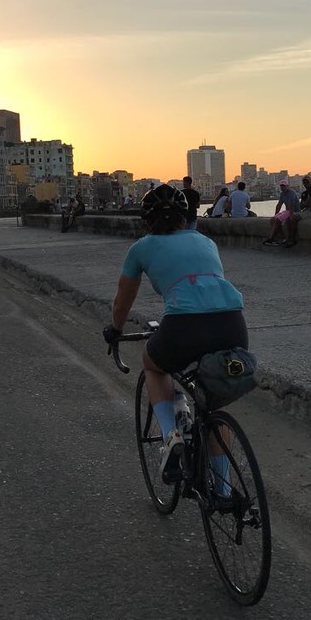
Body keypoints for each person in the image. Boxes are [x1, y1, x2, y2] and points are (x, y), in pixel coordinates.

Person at [104, 184, 247, 487]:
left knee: (153, 364)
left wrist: (115, 330)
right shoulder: (206, 242)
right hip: (232, 324)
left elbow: (122, 302)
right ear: (185, 218)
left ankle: (171, 436)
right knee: (212, 407)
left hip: (183, 326)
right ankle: (222, 490)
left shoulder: (142, 247)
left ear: (147, 221)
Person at [285, 176, 311, 244]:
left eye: (307, 182)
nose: (305, 184)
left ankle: (293, 238)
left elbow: (310, 203)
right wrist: (304, 203)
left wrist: (305, 203)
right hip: (304, 211)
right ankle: (287, 237)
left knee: (293, 218)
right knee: (288, 218)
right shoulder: (304, 193)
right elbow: (301, 205)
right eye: (304, 182)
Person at [263, 180, 300, 246]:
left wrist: (291, 215)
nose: (282, 187)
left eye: (284, 186)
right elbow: (279, 205)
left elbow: (292, 204)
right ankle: (277, 238)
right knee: (272, 220)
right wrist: (275, 215)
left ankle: (271, 238)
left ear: (287, 186)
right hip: (287, 211)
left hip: (293, 211)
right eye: (281, 186)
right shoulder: (282, 194)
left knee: (278, 220)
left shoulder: (292, 192)